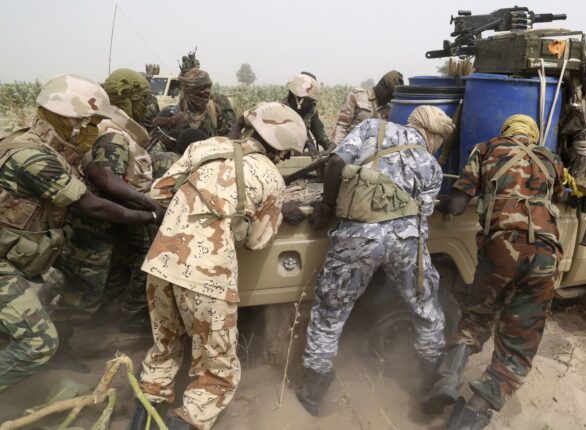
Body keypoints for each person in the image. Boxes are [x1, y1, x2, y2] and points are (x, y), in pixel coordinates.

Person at [129, 102, 307, 430]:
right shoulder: (270, 176)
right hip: (208, 278)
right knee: (216, 375)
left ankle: (141, 420)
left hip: (161, 264)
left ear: (249, 126)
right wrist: (279, 213)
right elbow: (257, 241)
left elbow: (158, 192)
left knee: (164, 351)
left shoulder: (204, 146)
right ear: (282, 150)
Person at [0, 75, 162, 392]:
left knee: (62, 296)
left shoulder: (49, 147)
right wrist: (154, 215)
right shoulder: (34, 158)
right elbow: (93, 205)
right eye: (89, 123)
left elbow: (96, 175)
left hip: (18, 255)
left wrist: (149, 206)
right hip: (5, 262)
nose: (92, 131)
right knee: (38, 343)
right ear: (70, 120)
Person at [297, 106, 455, 416]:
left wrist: (327, 206)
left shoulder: (373, 128)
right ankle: (430, 382)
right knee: (426, 309)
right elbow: (423, 215)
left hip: (358, 237)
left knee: (330, 311)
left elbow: (336, 162)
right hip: (406, 242)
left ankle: (313, 392)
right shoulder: (432, 168)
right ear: (434, 136)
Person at [422, 115, 565, 429]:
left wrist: (441, 204)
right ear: (533, 135)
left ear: (506, 131)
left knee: (477, 317)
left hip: (499, 248)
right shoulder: (551, 158)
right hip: (544, 255)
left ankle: (447, 378)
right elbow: (559, 196)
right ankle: (471, 416)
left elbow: (457, 204)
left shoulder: (486, 149)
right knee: (518, 341)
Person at [331, 70, 404, 145]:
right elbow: (342, 126)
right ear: (381, 86)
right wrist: (334, 146)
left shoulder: (389, 110)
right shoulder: (357, 96)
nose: (388, 100)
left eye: (391, 98)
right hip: (350, 146)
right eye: (388, 96)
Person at [281, 73, 332, 153]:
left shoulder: (310, 109)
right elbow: (292, 130)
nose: (312, 103)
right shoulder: (282, 110)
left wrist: (328, 144)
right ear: (299, 97)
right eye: (310, 100)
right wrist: (308, 143)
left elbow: (318, 130)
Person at [177, 68, 234, 137]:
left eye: (209, 87)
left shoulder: (214, 109)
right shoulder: (176, 115)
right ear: (191, 90)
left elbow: (226, 136)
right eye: (203, 88)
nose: (208, 91)